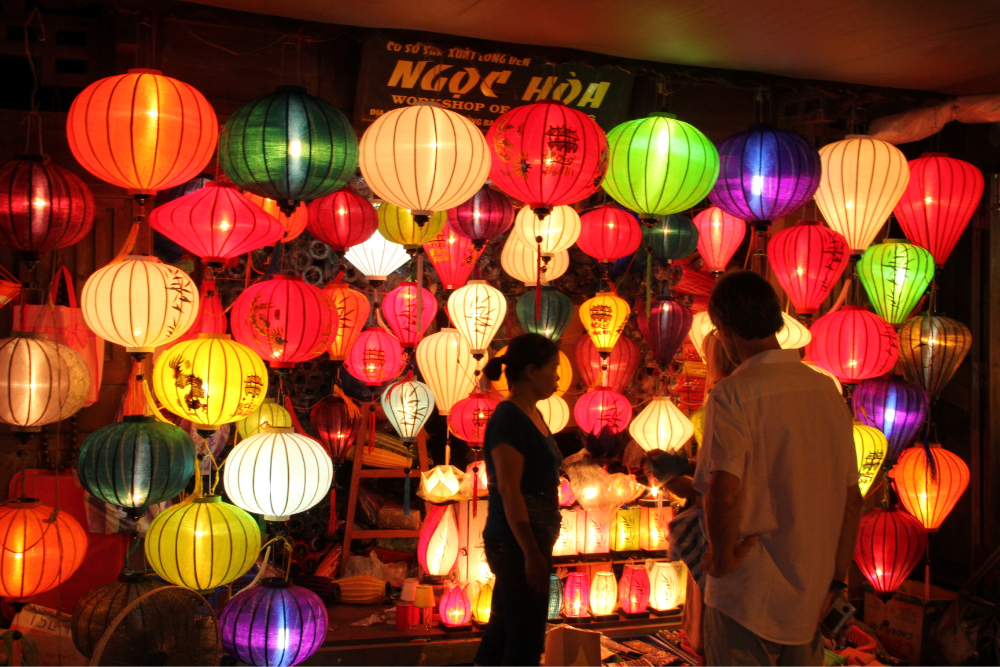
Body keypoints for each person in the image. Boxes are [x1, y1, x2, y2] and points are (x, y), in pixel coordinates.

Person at [695, 270, 863, 666]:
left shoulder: (732, 394)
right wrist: (836, 582)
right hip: (811, 597)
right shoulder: (826, 390)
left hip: (747, 596)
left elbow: (724, 490)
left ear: (725, 330)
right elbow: (851, 498)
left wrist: (722, 558)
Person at [474, 333, 563, 666]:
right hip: (515, 543)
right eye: (553, 369)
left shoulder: (532, 413)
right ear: (531, 371)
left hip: (530, 540)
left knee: (502, 632)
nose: (557, 378)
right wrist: (531, 554)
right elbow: (509, 489)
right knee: (525, 640)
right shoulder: (509, 418)